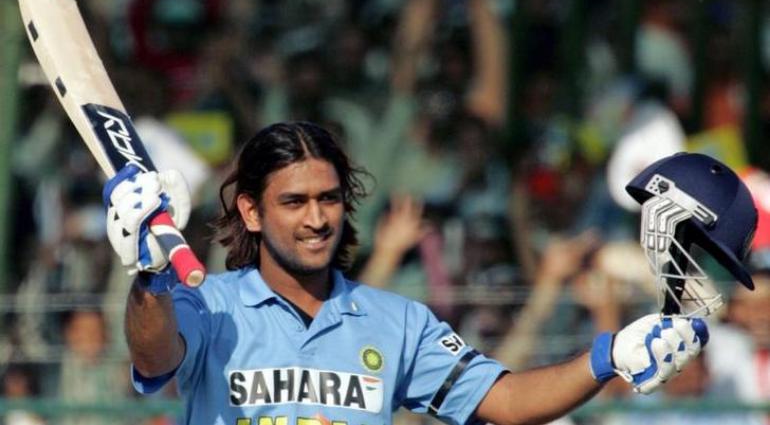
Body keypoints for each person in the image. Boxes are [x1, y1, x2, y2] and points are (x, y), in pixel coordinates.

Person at [103, 123, 738, 425]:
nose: (317, 219)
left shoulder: (398, 322)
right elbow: (154, 356)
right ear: (251, 210)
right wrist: (149, 273)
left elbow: (508, 400)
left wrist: (608, 357)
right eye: (294, 202)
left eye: (328, 199)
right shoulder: (207, 304)